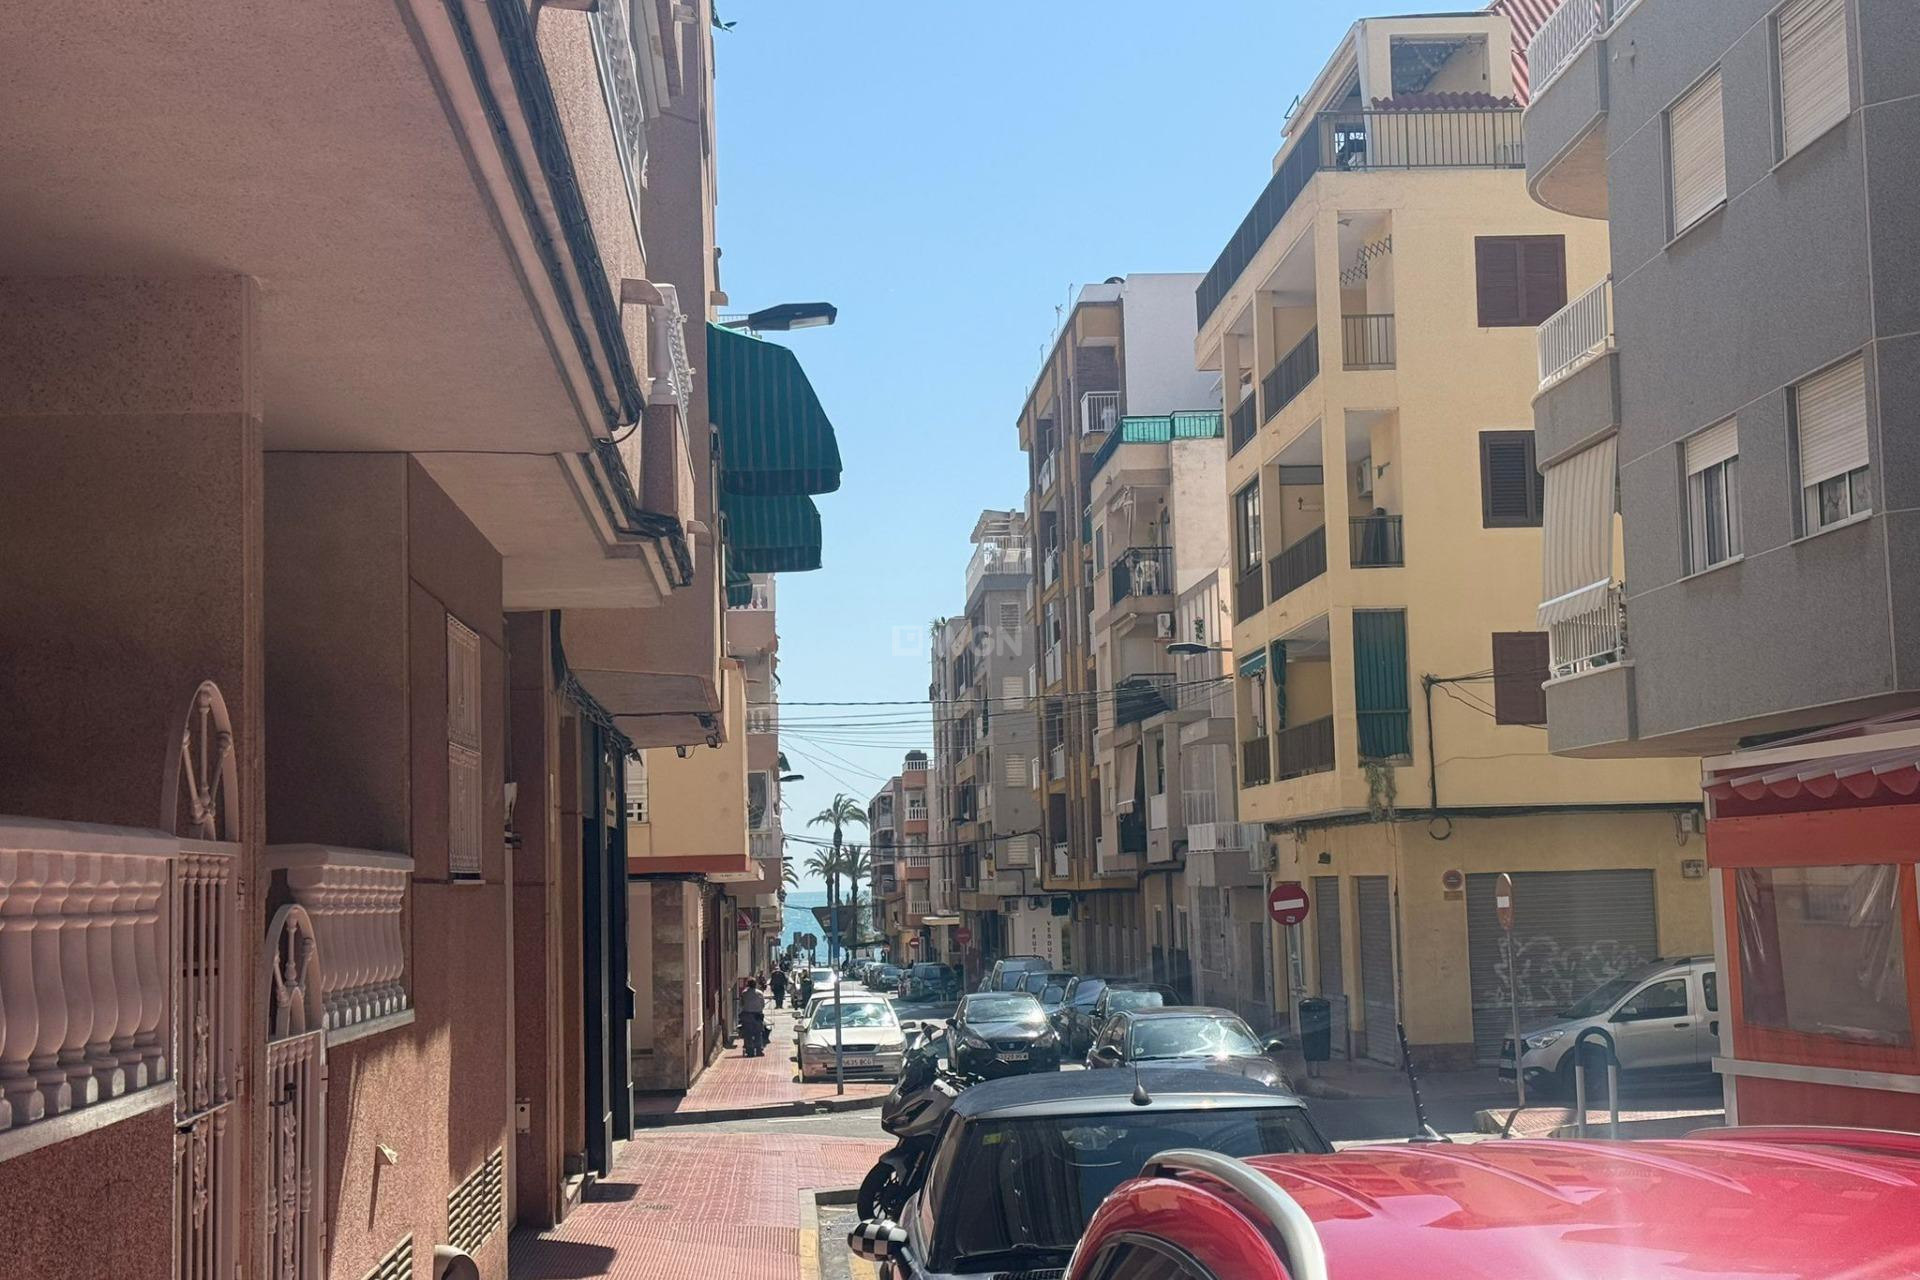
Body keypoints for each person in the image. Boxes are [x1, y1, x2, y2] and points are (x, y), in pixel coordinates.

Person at [739, 978, 768, 1057]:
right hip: (757, 1015)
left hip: (747, 1015)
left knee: (748, 1034)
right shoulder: (759, 993)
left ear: (748, 984)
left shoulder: (744, 993)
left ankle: (750, 1051)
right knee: (758, 1033)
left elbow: (741, 1004)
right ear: (755, 984)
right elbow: (763, 1005)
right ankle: (758, 1050)